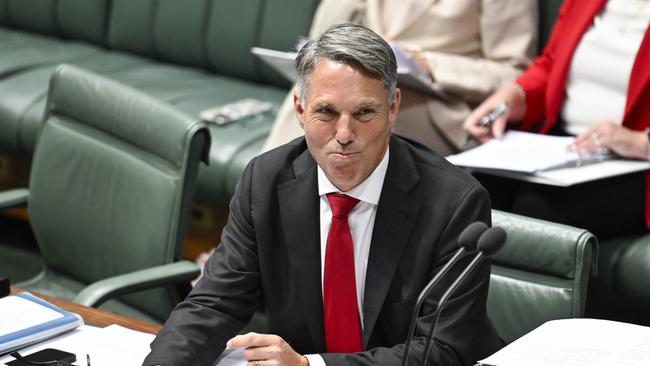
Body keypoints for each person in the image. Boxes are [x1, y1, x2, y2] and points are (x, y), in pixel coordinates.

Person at [144, 24, 502, 366]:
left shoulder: (454, 202)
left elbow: (443, 351)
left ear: (393, 108)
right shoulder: (265, 181)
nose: (344, 133)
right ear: (300, 109)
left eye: (364, 112)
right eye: (326, 112)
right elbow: (214, 303)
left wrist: (309, 365)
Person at [462, 0, 650, 239]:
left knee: (535, 209)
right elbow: (551, 62)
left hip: (637, 167)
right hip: (569, 148)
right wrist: (514, 96)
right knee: (476, 191)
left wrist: (641, 142)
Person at [262, 0, 537, 156]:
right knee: (318, 96)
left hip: (436, 108)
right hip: (357, 89)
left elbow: (512, 73)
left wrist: (425, 63)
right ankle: (260, 234)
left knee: (357, 108)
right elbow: (322, 34)